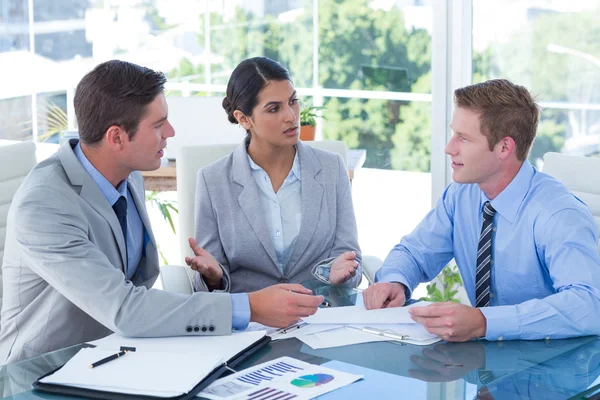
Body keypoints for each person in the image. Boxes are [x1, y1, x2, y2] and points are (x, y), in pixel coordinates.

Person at [0, 60, 323, 364]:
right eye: (158, 124)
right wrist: (249, 307)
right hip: (45, 369)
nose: (170, 132)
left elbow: (138, 286)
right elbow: (127, 308)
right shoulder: (44, 206)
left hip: (117, 354)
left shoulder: (128, 173)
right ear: (116, 137)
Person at [363, 78, 600, 342]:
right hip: (487, 366)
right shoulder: (462, 194)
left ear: (504, 148)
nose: (449, 148)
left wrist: (484, 322)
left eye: (463, 139)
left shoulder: (557, 214)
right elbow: (415, 252)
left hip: (552, 365)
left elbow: (589, 305)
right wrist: (396, 281)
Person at [185, 57, 362, 293]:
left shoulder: (332, 168)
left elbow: (350, 257)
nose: (290, 115)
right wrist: (214, 278)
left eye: (293, 101)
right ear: (243, 118)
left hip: (319, 314)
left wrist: (343, 273)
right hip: (250, 321)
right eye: (274, 108)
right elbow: (207, 282)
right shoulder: (213, 180)